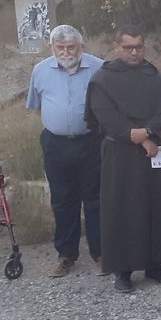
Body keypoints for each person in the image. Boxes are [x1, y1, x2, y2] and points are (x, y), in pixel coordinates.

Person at [84, 25, 161, 294]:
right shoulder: (102, 79)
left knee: (155, 208)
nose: (134, 52)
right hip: (120, 154)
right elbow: (104, 115)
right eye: (128, 47)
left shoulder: (158, 78)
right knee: (121, 209)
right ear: (117, 47)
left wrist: (150, 133)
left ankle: (155, 265)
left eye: (139, 47)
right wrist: (138, 136)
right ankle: (123, 270)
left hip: (152, 154)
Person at [26, 24, 104, 277]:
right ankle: (66, 254)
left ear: (82, 46)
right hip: (56, 144)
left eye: (71, 47)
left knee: (95, 199)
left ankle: (100, 252)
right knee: (62, 199)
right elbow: (37, 106)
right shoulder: (40, 71)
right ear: (52, 47)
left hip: (91, 142)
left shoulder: (99, 68)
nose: (66, 52)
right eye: (60, 47)